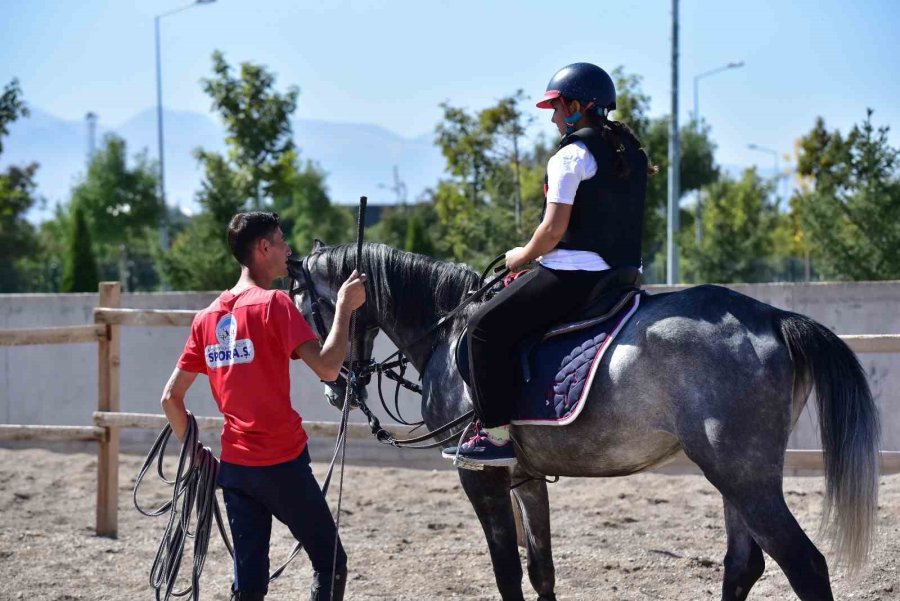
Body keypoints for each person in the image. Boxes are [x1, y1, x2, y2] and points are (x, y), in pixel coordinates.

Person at [443, 62, 655, 467]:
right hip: (623, 277)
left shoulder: (571, 156)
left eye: (557, 108)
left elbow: (552, 230)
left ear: (577, 106)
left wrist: (519, 257)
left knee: (483, 328)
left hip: (573, 277)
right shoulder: (630, 151)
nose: (555, 118)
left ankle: (497, 437)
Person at [160, 211, 366, 601]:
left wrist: (197, 455)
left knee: (250, 586)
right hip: (282, 464)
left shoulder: (206, 319)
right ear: (263, 248)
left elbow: (170, 398)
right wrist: (344, 308)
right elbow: (327, 367)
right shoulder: (274, 304)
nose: (289, 249)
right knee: (330, 562)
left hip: (236, 470)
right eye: (282, 240)